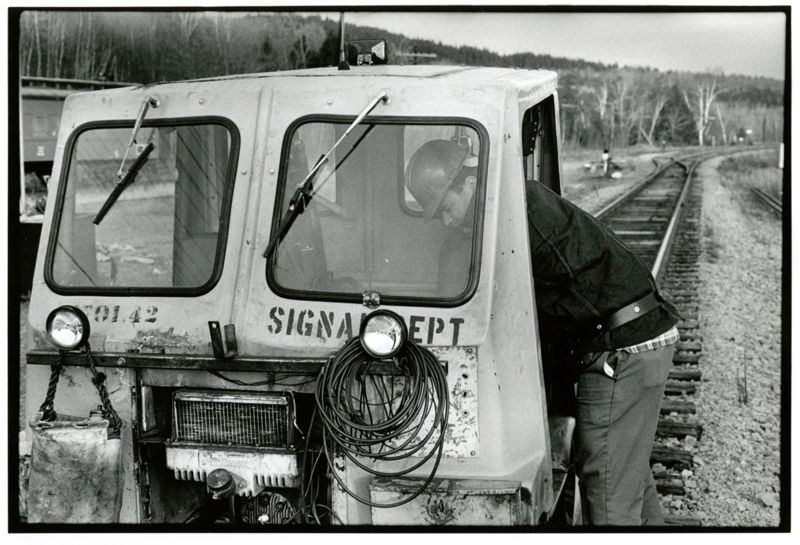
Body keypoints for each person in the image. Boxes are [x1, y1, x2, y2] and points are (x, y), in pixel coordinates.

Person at [405, 139, 681, 526]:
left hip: (623, 346)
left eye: (446, 209)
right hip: (637, 334)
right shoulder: (516, 202)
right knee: (623, 469)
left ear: (467, 186)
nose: (447, 221)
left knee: (606, 488)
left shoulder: (513, 217)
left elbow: (518, 307)